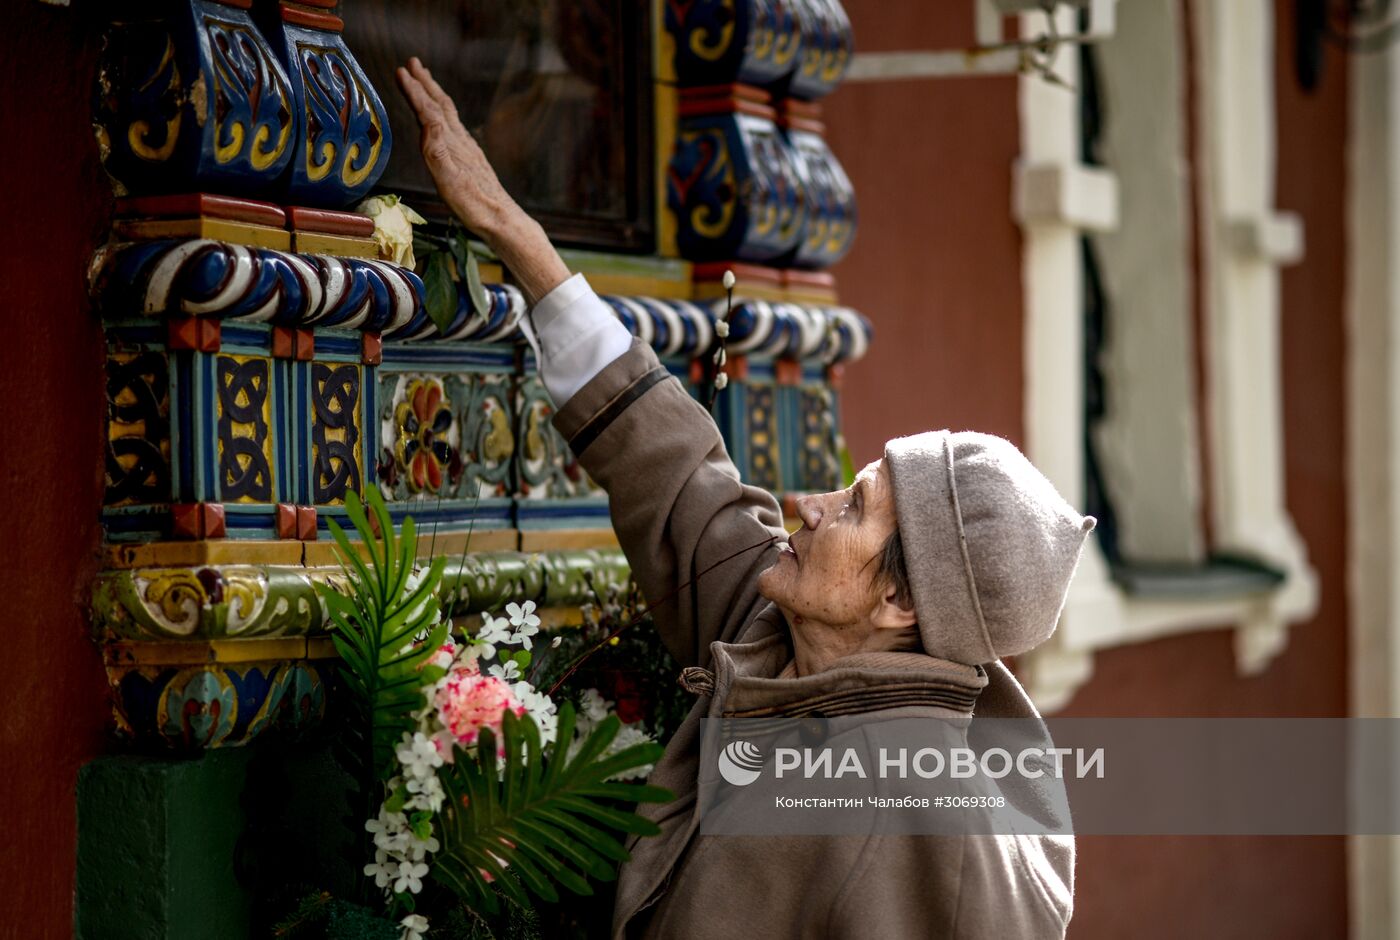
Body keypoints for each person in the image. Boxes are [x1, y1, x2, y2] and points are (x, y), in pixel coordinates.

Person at [396, 57, 1095, 939]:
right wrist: (509, 227)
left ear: (899, 601)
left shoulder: (928, 819)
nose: (809, 505)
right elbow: (679, 474)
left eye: (854, 509)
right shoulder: (793, 639)